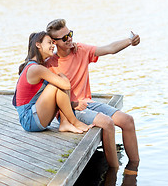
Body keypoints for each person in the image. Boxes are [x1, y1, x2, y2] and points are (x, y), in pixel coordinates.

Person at [45, 19, 140, 173]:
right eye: (64, 38)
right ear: (54, 42)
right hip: (69, 110)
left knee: (128, 121)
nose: (69, 39)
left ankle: (133, 169)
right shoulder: (49, 64)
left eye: (69, 34)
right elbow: (50, 98)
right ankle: (114, 173)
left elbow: (109, 48)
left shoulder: (80, 49)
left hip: (88, 102)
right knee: (107, 123)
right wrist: (73, 105)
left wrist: (129, 41)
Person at [12, 31, 92, 134]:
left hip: (34, 116)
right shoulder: (36, 69)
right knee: (56, 84)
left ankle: (65, 123)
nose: (53, 45)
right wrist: (63, 76)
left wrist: (69, 48)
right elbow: (66, 85)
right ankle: (74, 122)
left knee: (59, 82)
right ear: (38, 45)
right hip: (29, 120)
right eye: (49, 42)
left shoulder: (37, 66)